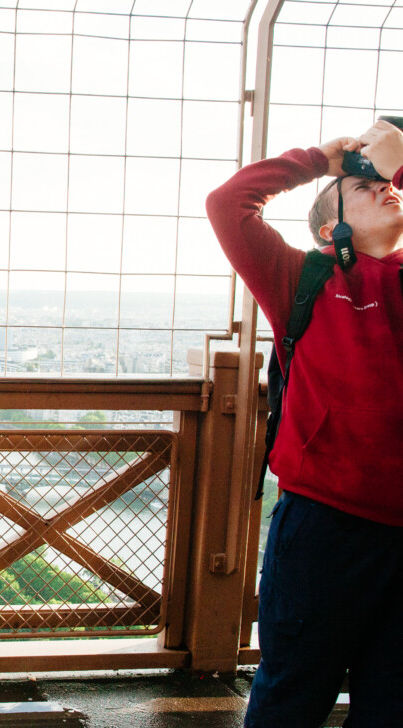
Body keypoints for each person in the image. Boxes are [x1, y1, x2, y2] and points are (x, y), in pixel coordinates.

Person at [205, 127, 403, 727]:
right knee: (292, 697)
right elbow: (228, 204)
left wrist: (396, 168)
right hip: (322, 523)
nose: (386, 191)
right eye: (365, 188)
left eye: (390, 185)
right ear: (329, 229)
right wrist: (320, 161)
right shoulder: (304, 279)